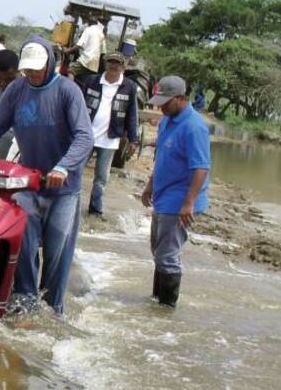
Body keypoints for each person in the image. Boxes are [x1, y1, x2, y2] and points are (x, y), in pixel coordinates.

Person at [0, 36, 94, 315]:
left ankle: (52, 309)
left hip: (63, 186)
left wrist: (63, 167)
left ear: (51, 65)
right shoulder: (17, 89)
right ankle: (24, 303)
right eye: (28, 69)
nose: (32, 74)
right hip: (28, 181)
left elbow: (84, 137)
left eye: (37, 69)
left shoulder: (68, 91)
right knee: (23, 244)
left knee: (56, 251)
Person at [139, 75, 210, 308]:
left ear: (181, 98)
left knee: (168, 256)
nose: (160, 107)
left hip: (180, 201)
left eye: (165, 102)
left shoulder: (194, 126)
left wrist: (188, 203)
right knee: (159, 252)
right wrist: (150, 186)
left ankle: (166, 310)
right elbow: (162, 158)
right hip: (163, 196)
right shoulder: (168, 120)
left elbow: (201, 168)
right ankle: (157, 301)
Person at [82, 52, 140, 216]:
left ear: (123, 67)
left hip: (110, 139)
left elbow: (132, 114)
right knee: (75, 171)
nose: (114, 66)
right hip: (86, 135)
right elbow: (78, 105)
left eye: (118, 63)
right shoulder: (92, 81)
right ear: (105, 64)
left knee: (101, 178)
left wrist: (133, 139)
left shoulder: (129, 87)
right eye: (111, 62)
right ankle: (69, 203)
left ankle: (95, 210)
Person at [67, 16, 104, 82]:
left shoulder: (88, 29)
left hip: (86, 59)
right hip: (95, 63)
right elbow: (103, 51)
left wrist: (68, 50)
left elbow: (79, 45)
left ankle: (70, 87)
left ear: (88, 23)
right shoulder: (101, 33)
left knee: (71, 70)